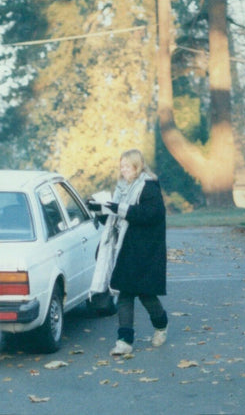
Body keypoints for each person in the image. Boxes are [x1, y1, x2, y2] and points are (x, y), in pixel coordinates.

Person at [89, 149, 168, 356]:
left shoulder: (149, 186)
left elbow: (151, 214)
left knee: (146, 294)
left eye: (127, 166)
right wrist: (100, 210)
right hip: (124, 249)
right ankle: (124, 341)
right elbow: (115, 220)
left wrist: (118, 208)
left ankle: (161, 325)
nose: (123, 170)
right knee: (124, 293)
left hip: (146, 250)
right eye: (121, 166)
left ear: (137, 166)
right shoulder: (122, 188)